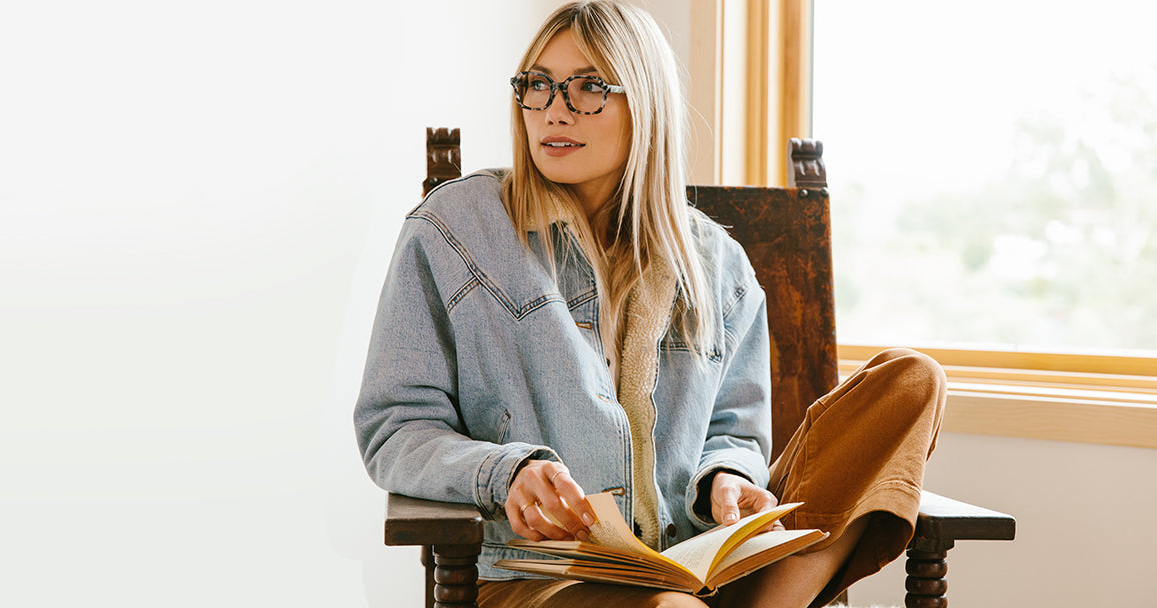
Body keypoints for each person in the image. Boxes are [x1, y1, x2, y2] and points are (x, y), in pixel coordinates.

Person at [351, 2, 945, 607]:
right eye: (537, 86)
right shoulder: (455, 229)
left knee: (909, 382)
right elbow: (394, 429)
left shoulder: (717, 263)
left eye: (587, 87)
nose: (554, 109)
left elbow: (733, 431)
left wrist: (730, 478)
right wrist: (505, 473)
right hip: (540, 580)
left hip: (697, 569)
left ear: (646, 105)